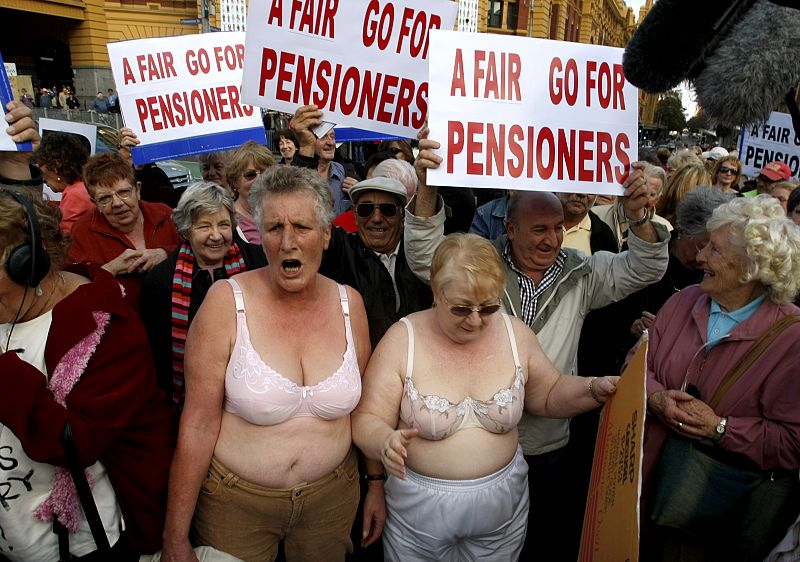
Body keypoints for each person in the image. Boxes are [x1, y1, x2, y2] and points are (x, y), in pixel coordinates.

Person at [405, 127, 670, 562]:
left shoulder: (581, 273)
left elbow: (643, 269)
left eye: (558, 228)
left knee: (542, 542)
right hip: (480, 441)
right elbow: (424, 258)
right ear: (509, 228)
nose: (551, 239)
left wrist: (640, 217)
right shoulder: (479, 261)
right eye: (539, 228)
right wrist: (430, 186)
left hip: (548, 443)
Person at [161, 165, 382, 562]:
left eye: (302, 226)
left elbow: (364, 409)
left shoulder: (351, 304)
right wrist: (175, 536)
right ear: (259, 235)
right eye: (275, 228)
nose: (288, 242)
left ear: (327, 235)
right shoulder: (226, 304)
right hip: (237, 506)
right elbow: (196, 423)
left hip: (331, 502)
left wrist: (376, 484)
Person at [352, 233, 618, 561]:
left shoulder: (514, 333)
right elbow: (366, 419)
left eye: (488, 307)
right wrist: (383, 440)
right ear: (436, 292)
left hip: (502, 509)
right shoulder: (402, 339)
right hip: (419, 509)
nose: (475, 321)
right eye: (461, 309)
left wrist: (594, 388)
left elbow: (548, 394)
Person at [0, 190, 175, 560]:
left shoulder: (107, 325)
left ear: (28, 264)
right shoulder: (11, 306)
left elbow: (76, 442)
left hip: (77, 541)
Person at [640, 195, 800, 561]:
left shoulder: (791, 339)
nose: (700, 257)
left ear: (751, 266)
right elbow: (638, 363)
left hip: (706, 519)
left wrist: (720, 428)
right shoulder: (685, 301)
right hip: (642, 491)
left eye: (715, 249)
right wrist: (656, 397)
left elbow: (792, 442)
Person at [140, 182, 266, 409]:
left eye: (224, 225)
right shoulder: (161, 281)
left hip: (255, 390)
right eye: (204, 226)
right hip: (189, 399)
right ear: (186, 230)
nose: (216, 236)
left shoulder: (258, 263)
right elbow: (158, 359)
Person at [68, 153, 179, 311]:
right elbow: (72, 290)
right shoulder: (82, 231)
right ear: (94, 203)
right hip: (119, 328)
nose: (118, 203)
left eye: (124, 192)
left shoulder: (165, 215)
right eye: (105, 198)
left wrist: (165, 254)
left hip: (172, 321)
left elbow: (196, 254)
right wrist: (111, 269)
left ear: (138, 190)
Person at [593, 163, 673, 251]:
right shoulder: (595, 216)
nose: (644, 197)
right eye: (639, 190)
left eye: (651, 194)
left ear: (658, 199)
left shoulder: (665, 230)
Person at [34, 132, 93, 233]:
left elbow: (63, 238)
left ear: (55, 165)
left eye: (40, 164)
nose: (39, 170)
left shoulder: (75, 194)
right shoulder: (83, 187)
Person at [225, 141, 275, 244]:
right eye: (250, 174)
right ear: (234, 182)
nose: (259, 179)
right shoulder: (228, 220)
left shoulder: (281, 211)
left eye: (265, 172)